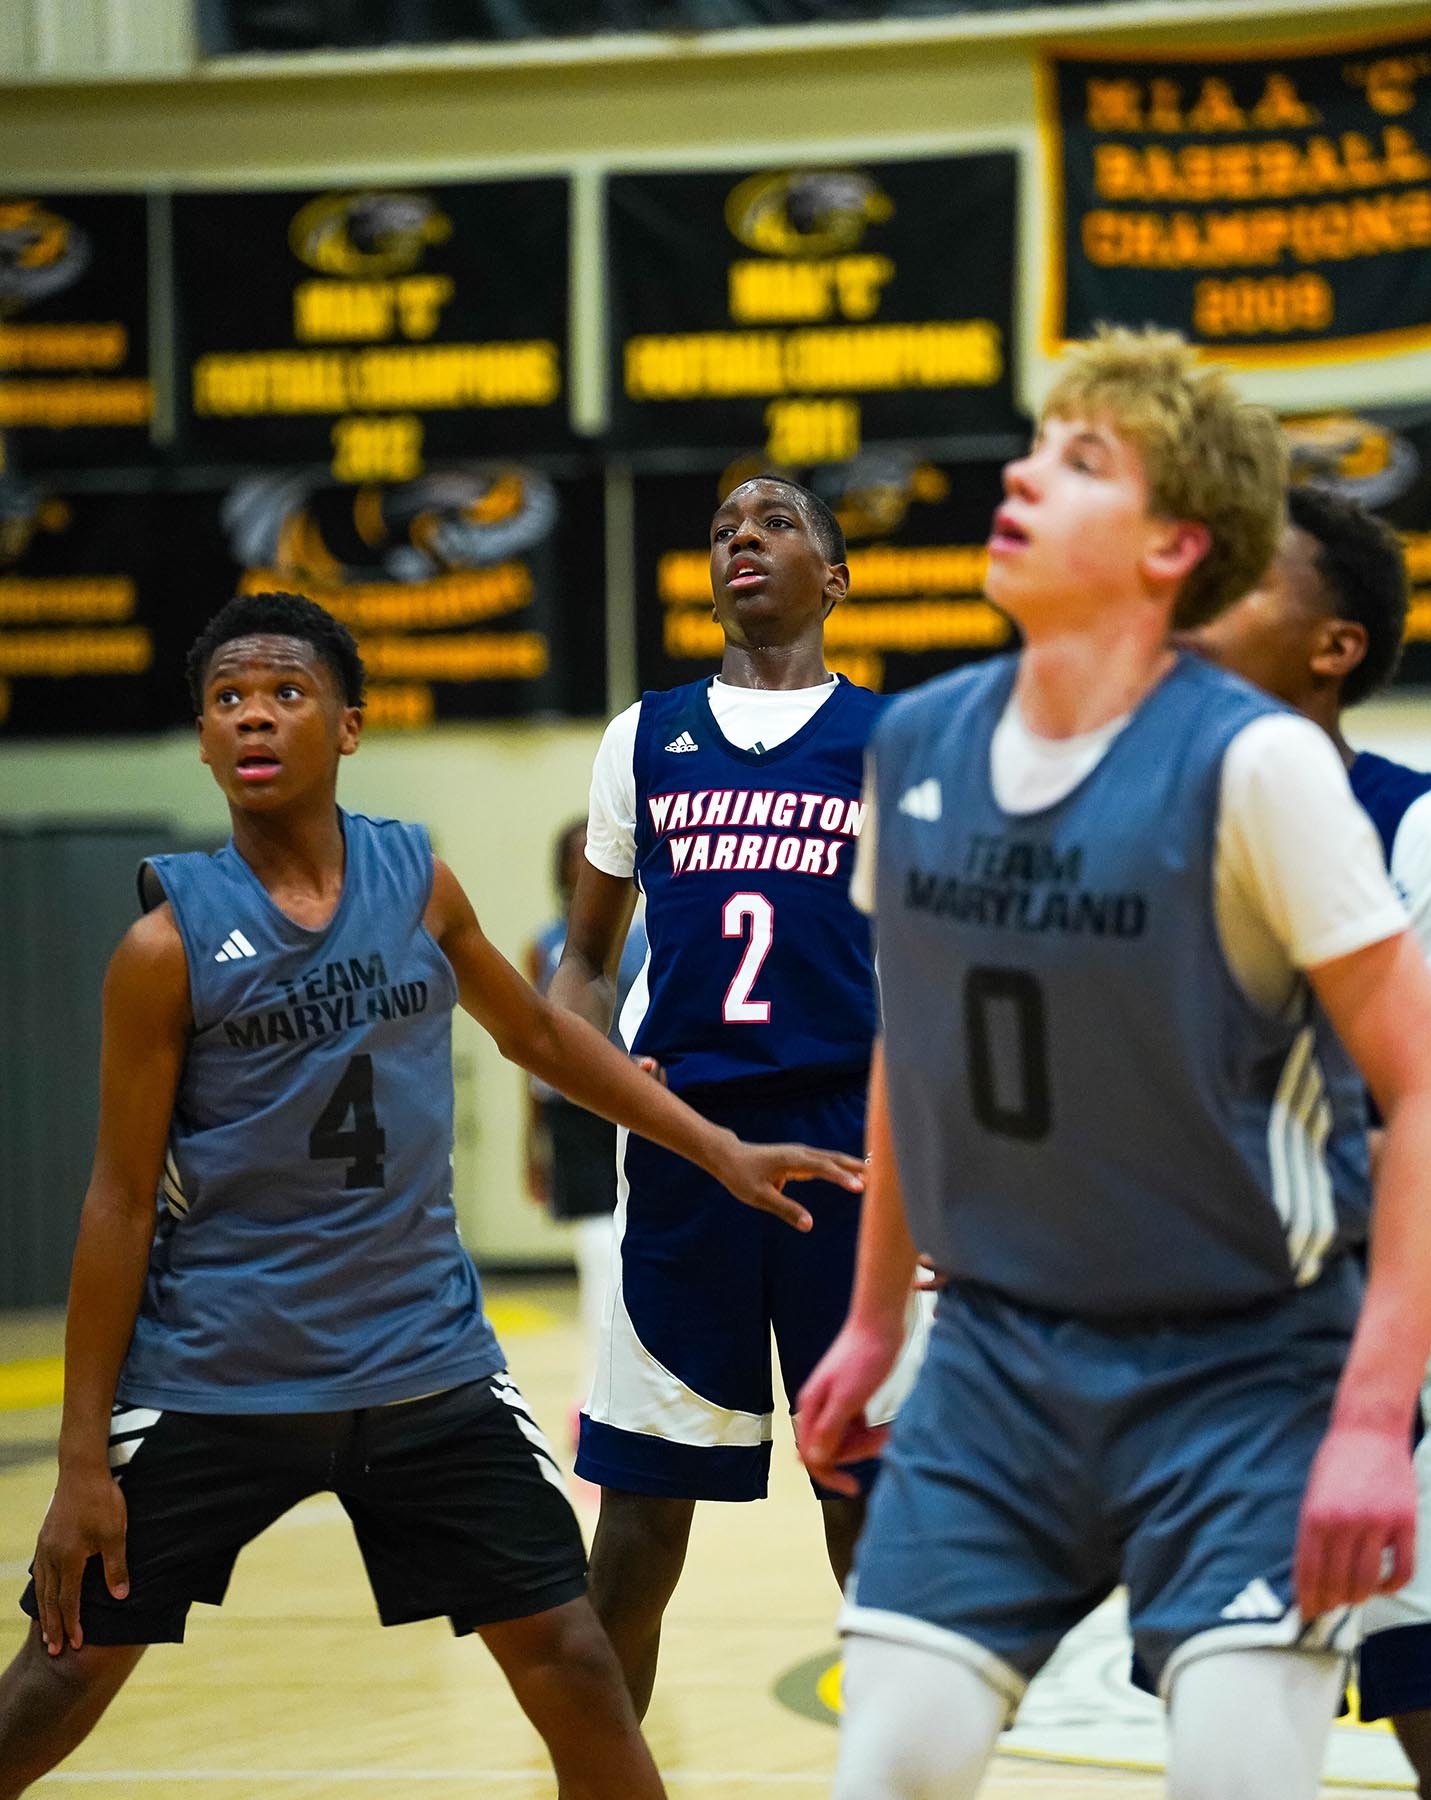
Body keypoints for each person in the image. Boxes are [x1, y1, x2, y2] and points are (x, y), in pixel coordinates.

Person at [0, 590, 866, 1800]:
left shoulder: (418, 882)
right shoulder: (165, 947)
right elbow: (118, 1204)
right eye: (226, 701)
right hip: (223, 1372)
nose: (253, 718)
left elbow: (548, 1044)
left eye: (285, 694)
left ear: (348, 727)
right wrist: (82, 1465)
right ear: (200, 741)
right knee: (62, 1672)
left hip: (426, 1368)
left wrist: (717, 1148)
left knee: (576, 1664)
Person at [795, 329, 1431, 1800]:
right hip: (1001, 1361)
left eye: (1082, 461)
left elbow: (1425, 1088)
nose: (1023, 475)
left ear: (1174, 547)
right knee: (886, 1772)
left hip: (1247, 1366)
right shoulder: (916, 742)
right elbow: (918, 1044)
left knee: (1237, 1779)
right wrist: (875, 1319)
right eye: (1036, 445)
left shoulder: (1258, 768)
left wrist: (1366, 1420)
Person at [549, 475, 925, 1718]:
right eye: (721, 531)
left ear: (836, 575)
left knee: (863, 1503)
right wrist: (592, 1071)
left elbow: (943, 967)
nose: (741, 542)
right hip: (688, 1149)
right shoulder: (643, 737)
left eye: (773, 525)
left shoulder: (893, 741)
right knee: (640, 1530)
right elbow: (588, 963)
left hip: (850, 1153)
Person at [1193, 484, 1431, 1796]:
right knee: (1240, 1728)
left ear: (1334, 646)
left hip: (1398, 1335)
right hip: (1220, 1345)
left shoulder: (1419, 830)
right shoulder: (1150, 829)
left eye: (1243, 580)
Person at [523, 817, 647, 1425]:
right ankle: (590, 1397)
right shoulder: (545, 942)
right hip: (569, 1115)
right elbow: (531, 1049)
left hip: (627, 1100)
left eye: (588, 852)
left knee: (620, 1255)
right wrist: (531, 1145)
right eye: (572, 854)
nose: (583, 863)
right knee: (599, 1254)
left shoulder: (647, 932)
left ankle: (605, 1392)